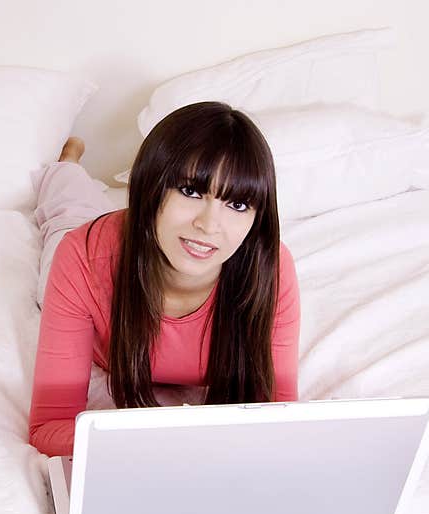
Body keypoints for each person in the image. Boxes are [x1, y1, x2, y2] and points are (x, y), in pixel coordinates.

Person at [28, 101, 301, 457]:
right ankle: (68, 163)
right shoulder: (82, 257)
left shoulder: (271, 270)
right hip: (101, 247)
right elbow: (48, 427)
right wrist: (166, 445)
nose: (209, 225)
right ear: (151, 187)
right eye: (190, 191)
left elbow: (283, 423)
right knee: (68, 210)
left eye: (236, 205)